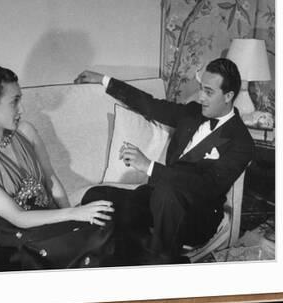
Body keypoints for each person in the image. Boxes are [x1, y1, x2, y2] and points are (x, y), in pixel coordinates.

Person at [74, 58, 255, 265]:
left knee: (167, 192)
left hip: (195, 216)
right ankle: (146, 252)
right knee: (96, 196)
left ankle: (159, 261)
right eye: (201, 89)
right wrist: (104, 80)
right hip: (157, 200)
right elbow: (149, 104)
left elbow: (207, 187)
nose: (201, 97)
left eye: (209, 92)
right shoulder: (193, 112)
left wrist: (148, 166)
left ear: (228, 96)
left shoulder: (242, 142)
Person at [0, 66, 115, 271]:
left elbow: (50, 179)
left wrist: (72, 211)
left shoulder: (26, 131)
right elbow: (18, 217)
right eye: (14, 102)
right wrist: (73, 215)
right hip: (12, 236)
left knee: (106, 219)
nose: (21, 109)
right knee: (96, 234)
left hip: (46, 219)